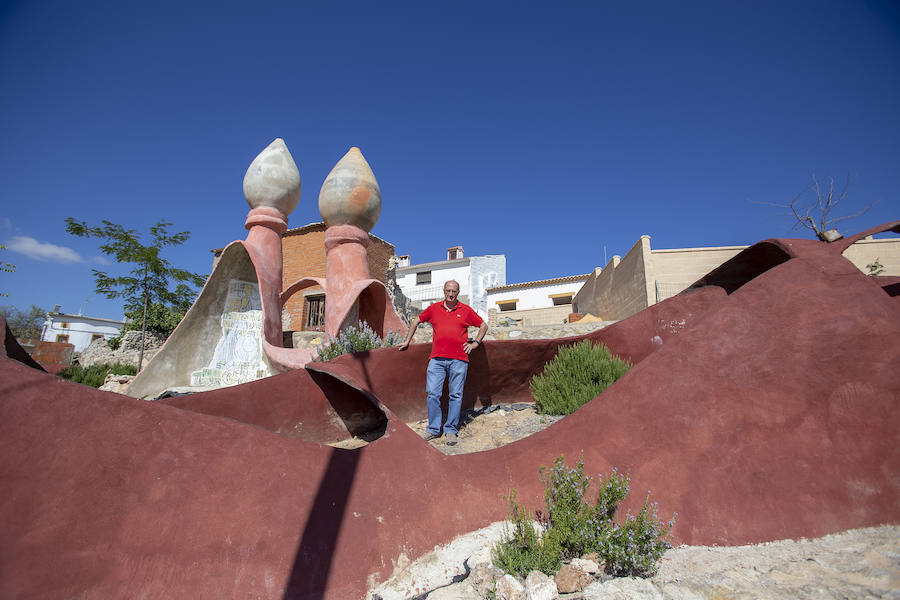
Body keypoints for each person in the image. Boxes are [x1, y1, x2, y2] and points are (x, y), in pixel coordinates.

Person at [398, 280, 487, 445]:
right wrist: (407, 341)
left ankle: (451, 430)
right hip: (437, 360)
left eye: (454, 291)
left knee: (455, 395)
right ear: (444, 291)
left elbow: (483, 325)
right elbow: (415, 321)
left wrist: (475, 344)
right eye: (448, 291)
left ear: (458, 292)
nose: (451, 294)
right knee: (433, 394)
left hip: (459, 360)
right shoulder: (434, 309)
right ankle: (433, 429)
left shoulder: (466, 310)